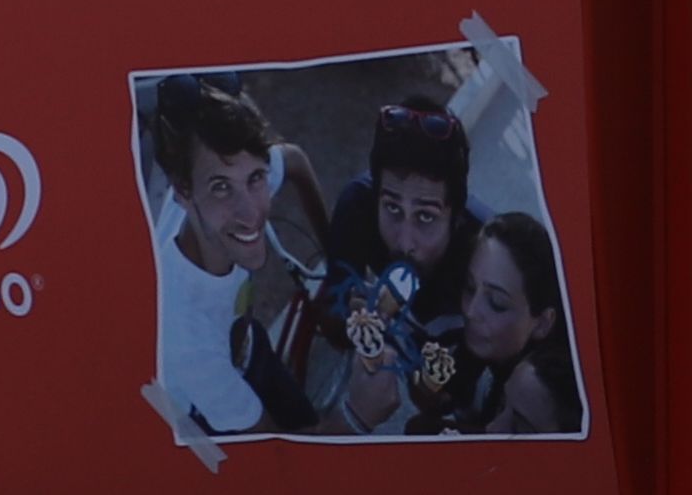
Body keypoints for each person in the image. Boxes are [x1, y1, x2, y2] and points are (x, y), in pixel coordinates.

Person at [142, 77, 323, 444]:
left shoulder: (230, 169)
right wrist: (359, 415)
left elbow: (296, 161)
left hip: (248, 348)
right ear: (183, 193)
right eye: (221, 187)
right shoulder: (186, 338)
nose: (250, 213)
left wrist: (337, 252)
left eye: (256, 178)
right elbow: (279, 453)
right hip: (201, 417)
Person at [315, 102, 480, 435]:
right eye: (392, 207)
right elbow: (331, 315)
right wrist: (352, 317)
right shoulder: (358, 206)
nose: (404, 242)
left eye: (426, 216)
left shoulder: (480, 256)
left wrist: (432, 393)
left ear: (456, 214)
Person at [414, 211, 581, 437]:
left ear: (542, 323)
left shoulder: (551, 389)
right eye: (470, 287)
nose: (471, 311)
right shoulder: (460, 344)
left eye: (497, 303)